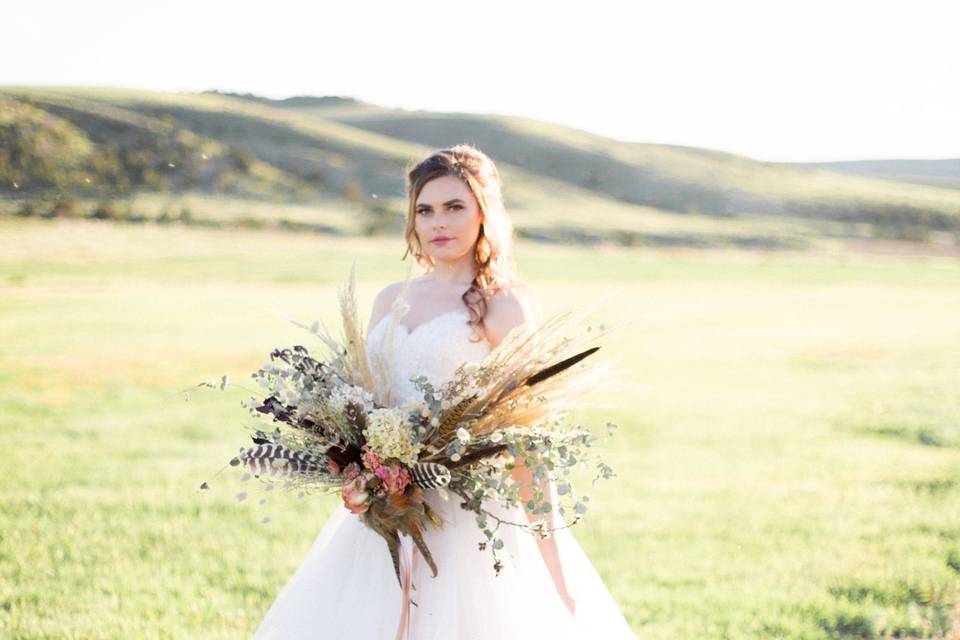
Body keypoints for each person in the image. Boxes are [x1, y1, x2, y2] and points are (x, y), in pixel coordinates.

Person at [253, 144, 637, 639]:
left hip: (468, 521)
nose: (439, 222)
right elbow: (366, 404)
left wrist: (553, 565)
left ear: (484, 213)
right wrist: (357, 470)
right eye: (425, 209)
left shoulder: (503, 308)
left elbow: (525, 442)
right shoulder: (391, 299)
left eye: (455, 207)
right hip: (388, 514)